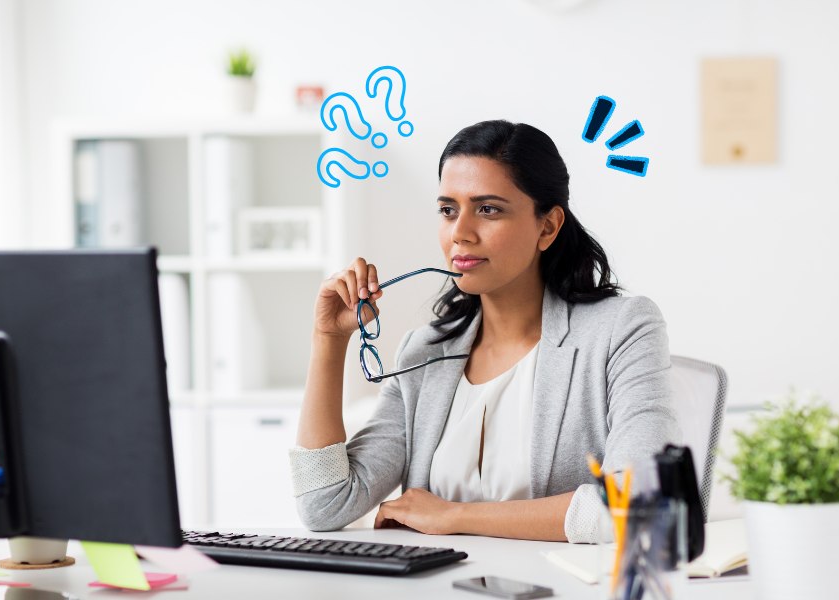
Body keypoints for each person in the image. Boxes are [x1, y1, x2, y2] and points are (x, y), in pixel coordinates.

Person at [289, 120, 679, 543]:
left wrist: (455, 516)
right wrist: (328, 341)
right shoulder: (423, 354)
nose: (460, 233)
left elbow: (642, 506)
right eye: (448, 210)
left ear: (547, 227)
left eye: (488, 209)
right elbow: (323, 505)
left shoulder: (621, 330)